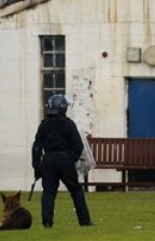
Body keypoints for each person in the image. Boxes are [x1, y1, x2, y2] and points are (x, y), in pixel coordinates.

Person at [32, 94, 94, 228]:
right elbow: (78, 145)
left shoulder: (44, 125)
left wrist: (37, 167)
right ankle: (84, 221)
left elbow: (36, 147)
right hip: (65, 159)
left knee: (48, 192)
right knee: (76, 190)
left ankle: (47, 222)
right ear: (63, 108)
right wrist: (72, 159)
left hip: (48, 159)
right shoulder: (69, 124)